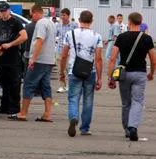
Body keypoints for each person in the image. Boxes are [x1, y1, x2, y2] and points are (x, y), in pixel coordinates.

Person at [107, 12, 156, 141]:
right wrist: (152, 73)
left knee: (126, 103)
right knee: (138, 101)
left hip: (124, 73)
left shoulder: (121, 37)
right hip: (140, 73)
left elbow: (112, 58)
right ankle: (133, 126)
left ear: (128, 22)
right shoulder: (147, 39)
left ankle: (127, 130)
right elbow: (153, 59)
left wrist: (111, 77)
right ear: (141, 22)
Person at [60, 10, 103, 137]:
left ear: (79, 20)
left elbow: (63, 56)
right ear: (92, 21)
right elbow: (99, 58)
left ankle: (73, 117)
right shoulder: (97, 36)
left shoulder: (70, 34)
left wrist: (62, 72)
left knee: (73, 97)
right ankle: (85, 128)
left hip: (74, 70)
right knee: (88, 100)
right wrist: (100, 78)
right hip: (90, 71)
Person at [10, 4, 55, 122]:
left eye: (31, 14)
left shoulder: (40, 24)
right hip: (49, 60)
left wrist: (33, 58)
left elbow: (40, 41)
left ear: (36, 12)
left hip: (39, 60)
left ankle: (23, 113)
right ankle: (47, 113)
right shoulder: (51, 23)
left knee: (28, 84)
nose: (31, 17)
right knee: (46, 86)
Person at [0, 2, 28, 115]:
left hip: (13, 57)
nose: (3, 14)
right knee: (3, 82)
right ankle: (4, 105)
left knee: (14, 83)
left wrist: (11, 44)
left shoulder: (16, 22)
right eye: (1, 12)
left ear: (9, 10)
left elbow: (24, 36)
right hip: (1, 57)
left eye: (5, 11)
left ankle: (15, 107)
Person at [55, 8, 78, 93]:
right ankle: (62, 85)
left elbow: (77, 36)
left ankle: (70, 85)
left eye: (64, 15)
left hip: (70, 51)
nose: (62, 17)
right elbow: (55, 35)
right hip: (59, 49)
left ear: (68, 16)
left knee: (69, 68)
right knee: (60, 69)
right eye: (61, 15)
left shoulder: (74, 25)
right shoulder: (58, 25)